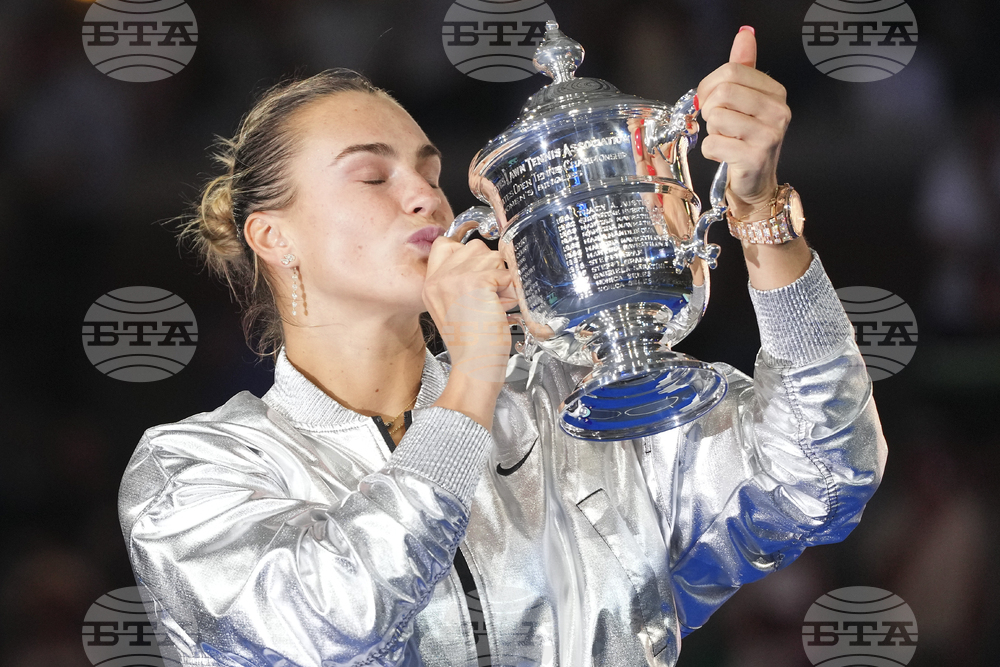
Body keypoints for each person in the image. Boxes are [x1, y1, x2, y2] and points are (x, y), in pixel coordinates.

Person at [118, 28, 887, 667]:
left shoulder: (567, 401)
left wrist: (758, 213)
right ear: (272, 236)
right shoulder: (193, 470)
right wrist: (474, 376)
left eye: (427, 171)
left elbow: (824, 471)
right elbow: (334, 617)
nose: (422, 194)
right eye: (371, 176)